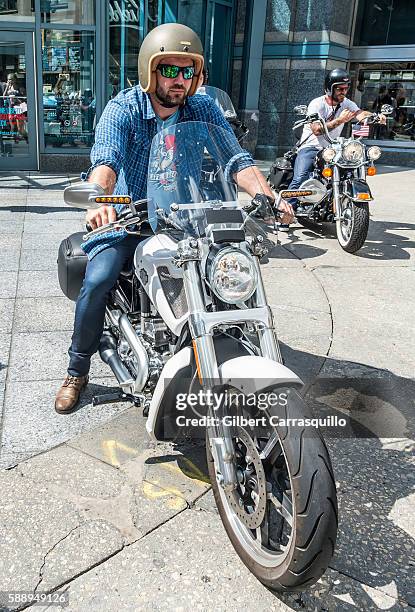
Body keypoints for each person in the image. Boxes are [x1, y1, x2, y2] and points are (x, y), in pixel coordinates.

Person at [54, 23, 294, 414]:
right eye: (170, 70)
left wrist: (267, 195)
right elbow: (106, 159)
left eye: (188, 72)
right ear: (151, 69)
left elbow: (235, 159)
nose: (179, 80)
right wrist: (98, 199)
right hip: (128, 216)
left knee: (229, 272)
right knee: (98, 280)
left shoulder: (202, 107)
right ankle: (76, 369)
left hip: (184, 215)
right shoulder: (124, 108)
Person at [279, 68, 382, 231]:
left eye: (346, 88)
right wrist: (339, 120)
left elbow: (360, 113)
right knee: (300, 178)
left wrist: (374, 116)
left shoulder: (346, 103)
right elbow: (316, 129)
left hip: (333, 148)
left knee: (350, 169)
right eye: (340, 88)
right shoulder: (317, 104)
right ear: (330, 88)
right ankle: (285, 215)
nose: (343, 92)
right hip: (311, 146)